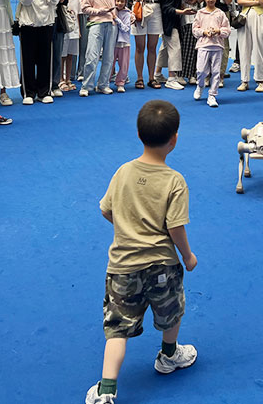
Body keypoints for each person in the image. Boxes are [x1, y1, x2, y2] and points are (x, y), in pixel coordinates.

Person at [85, 100, 198, 404]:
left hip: (123, 266)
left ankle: (106, 389)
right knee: (171, 311)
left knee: (117, 329)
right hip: (163, 266)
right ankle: (169, 355)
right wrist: (187, 256)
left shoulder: (123, 172)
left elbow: (106, 209)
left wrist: (126, 225)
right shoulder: (175, 181)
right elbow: (175, 227)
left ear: (138, 134)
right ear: (174, 138)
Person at [15, 0, 59, 104]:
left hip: (46, 24)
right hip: (28, 25)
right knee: (27, 60)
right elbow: (25, 0)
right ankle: (28, 93)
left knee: (45, 60)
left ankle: (44, 92)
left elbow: (53, 1)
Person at [125, 0, 164, 89]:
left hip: (155, 9)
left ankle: (152, 77)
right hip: (139, 8)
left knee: (152, 46)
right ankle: (140, 77)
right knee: (140, 46)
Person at [80, 0, 118, 97]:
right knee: (92, 56)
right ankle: (86, 86)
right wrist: (98, 11)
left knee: (109, 57)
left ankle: (103, 85)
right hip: (96, 24)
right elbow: (84, 8)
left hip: (111, 24)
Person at [198, 0, 234, 89]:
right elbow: (199, 0)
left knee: (222, 45)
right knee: (206, 44)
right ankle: (207, 75)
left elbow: (228, 0)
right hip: (206, 13)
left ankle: (220, 76)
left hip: (222, 13)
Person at [192, 0, 230, 108]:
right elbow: (195, 30)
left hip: (217, 47)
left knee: (216, 72)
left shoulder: (220, 13)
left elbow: (227, 30)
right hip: (203, 46)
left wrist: (218, 31)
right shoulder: (200, 13)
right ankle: (200, 85)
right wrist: (204, 32)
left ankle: (212, 95)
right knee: (201, 70)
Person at [158, 0, 193, 90]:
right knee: (175, 48)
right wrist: (182, 12)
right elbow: (167, 8)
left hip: (170, 21)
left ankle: (157, 73)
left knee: (165, 47)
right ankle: (172, 78)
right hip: (169, 22)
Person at [73, 0, 98, 80]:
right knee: (72, 44)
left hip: (87, 15)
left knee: (85, 44)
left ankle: (81, 72)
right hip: (73, 14)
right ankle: (70, 73)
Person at [59, 0, 80, 92]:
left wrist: (79, 31)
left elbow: (77, 16)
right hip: (64, 32)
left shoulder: (77, 0)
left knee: (70, 56)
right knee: (62, 56)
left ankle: (68, 79)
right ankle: (61, 79)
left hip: (74, 32)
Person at [112, 0, 134, 93]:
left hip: (124, 43)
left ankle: (120, 83)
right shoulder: (112, 11)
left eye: (122, 1)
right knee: (109, 63)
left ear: (126, 2)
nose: (119, 3)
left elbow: (126, 28)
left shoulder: (128, 14)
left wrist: (117, 20)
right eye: (118, 1)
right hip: (112, 42)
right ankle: (104, 82)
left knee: (124, 64)